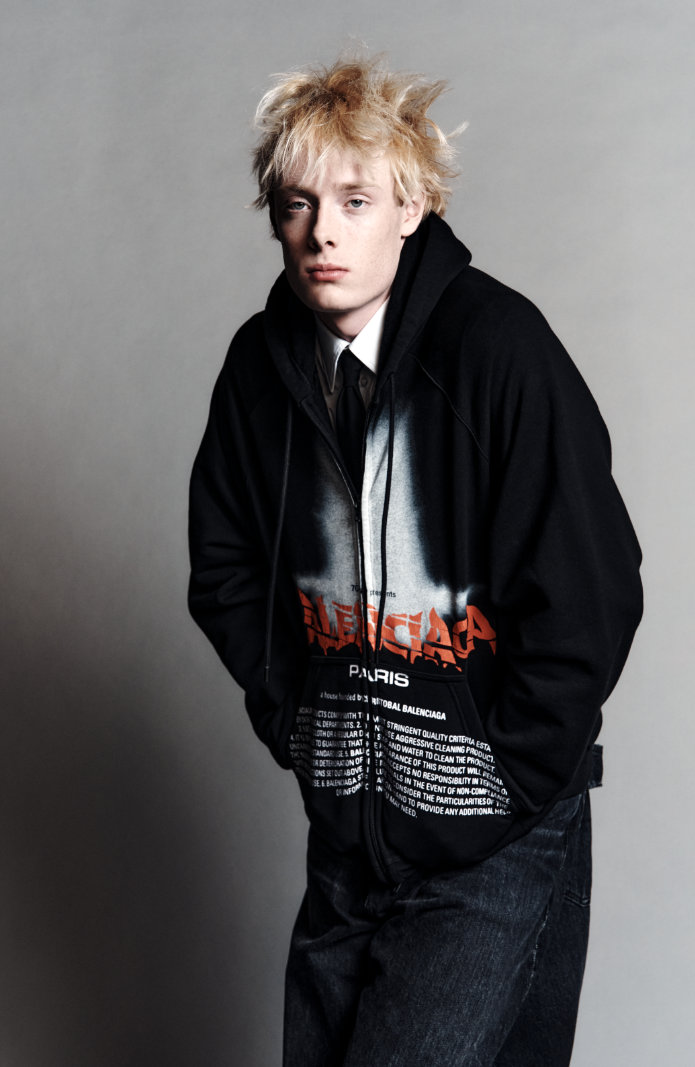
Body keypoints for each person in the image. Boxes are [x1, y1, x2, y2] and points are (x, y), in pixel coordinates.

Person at [188, 54, 642, 1067]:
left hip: (490, 832)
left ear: (412, 207)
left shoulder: (499, 349)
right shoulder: (260, 369)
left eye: (355, 199)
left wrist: (504, 774)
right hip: (350, 834)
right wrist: (299, 723)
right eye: (298, 203)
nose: (324, 231)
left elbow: (590, 588)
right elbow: (221, 563)